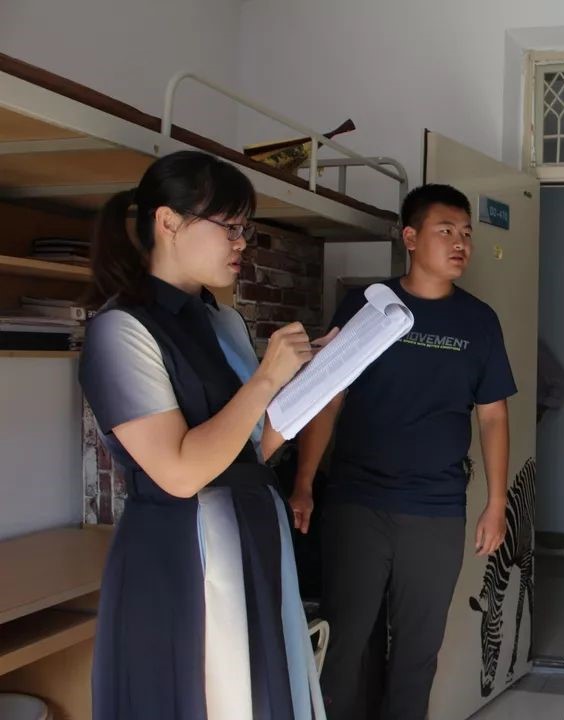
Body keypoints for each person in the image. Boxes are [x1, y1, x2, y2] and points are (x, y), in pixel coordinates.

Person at [80, 150, 330, 719]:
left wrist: (320, 380)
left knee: (260, 695)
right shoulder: (120, 330)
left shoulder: (223, 320)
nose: (242, 243)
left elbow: (254, 447)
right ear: (169, 222)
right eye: (230, 228)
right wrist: (266, 379)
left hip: (253, 538)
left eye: (246, 230)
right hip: (179, 555)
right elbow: (179, 472)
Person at [290, 183, 516, 719]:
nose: (460, 243)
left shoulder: (478, 321)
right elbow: (328, 396)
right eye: (446, 230)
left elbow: (493, 415)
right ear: (410, 238)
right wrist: (303, 481)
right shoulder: (369, 305)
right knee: (344, 643)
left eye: (466, 234)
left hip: (436, 508)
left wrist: (497, 502)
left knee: (418, 651)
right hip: (358, 502)